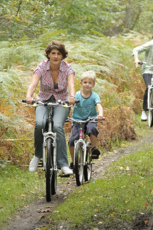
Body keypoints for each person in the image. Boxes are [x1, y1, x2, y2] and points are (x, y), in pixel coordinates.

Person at [25, 41, 75, 176]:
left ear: (63, 56)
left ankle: (63, 164)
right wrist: (29, 96)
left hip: (62, 102)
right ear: (48, 54)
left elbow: (71, 85)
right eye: (53, 53)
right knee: (40, 124)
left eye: (59, 54)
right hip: (43, 101)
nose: (56, 56)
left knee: (58, 126)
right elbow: (33, 84)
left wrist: (72, 96)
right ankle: (37, 156)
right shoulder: (41, 67)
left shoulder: (68, 69)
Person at [68, 71, 104, 167]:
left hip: (90, 119)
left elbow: (99, 105)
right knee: (71, 141)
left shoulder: (94, 96)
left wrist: (100, 114)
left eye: (89, 83)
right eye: (85, 82)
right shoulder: (76, 95)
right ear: (81, 83)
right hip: (77, 120)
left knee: (92, 129)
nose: (87, 85)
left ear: (93, 84)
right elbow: (69, 104)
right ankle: (74, 162)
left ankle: (94, 148)